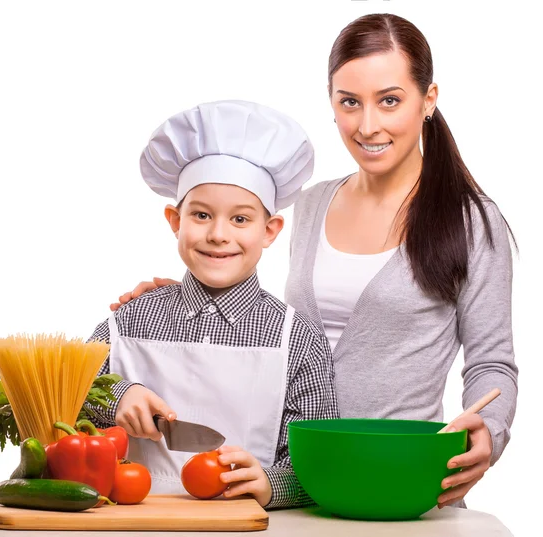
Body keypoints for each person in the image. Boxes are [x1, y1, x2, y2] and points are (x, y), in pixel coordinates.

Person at [111, 14, 518, 509]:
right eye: (350, 102)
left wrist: (489, 430)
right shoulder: (310, 205)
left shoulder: (471, 220)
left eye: (390, 100)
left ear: (428, 99)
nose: (368, 125)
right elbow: (271, 326)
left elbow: (492, 361)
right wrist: (181, 304)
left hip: (401, 483)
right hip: (298, 486)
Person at [87, 99, 339, 509]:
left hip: (248, 527)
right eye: (201, 215)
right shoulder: (127, 322)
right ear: (175, 221)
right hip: (133, 523)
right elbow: (66, 395)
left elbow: (320, 464)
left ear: (270, 230)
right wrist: (119, 395)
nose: (219, 235)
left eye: (240, 219)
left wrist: (272, 484)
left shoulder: (297, 341)